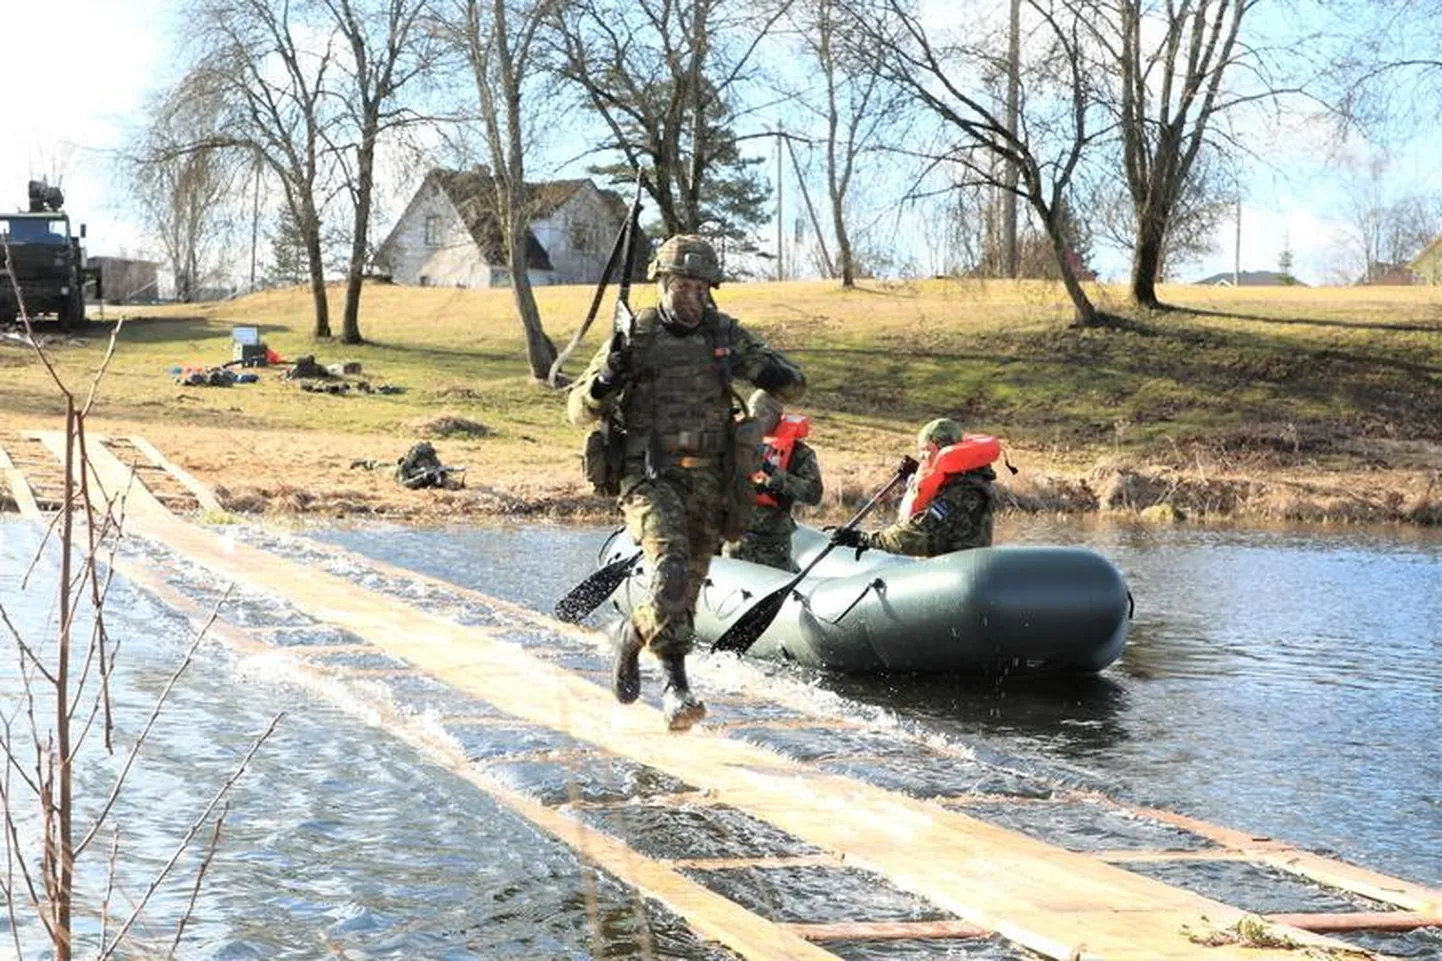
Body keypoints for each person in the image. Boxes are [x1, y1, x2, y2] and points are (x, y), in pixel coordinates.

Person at [567, 234, 806, 731]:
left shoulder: (723, 335)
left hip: (711, 477)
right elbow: (577, 408)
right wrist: (607, 377)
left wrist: (770, 373)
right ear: (664, 283)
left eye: (704, 288)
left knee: (686, 589)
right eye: (685, 287)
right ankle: (676, 687)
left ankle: (631, 635)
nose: (695, 298)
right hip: (650, 473)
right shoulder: (637, 336)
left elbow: (792, 381)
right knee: (670, 566)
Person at [829, 418, 997, 558]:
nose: (921, 456)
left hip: (956, 578)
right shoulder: (968, 479)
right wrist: (913, 477)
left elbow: (915, 536)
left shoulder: (959, 493)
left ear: (943, 449)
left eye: (925, 450)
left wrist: (863, 538)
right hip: (956, 572)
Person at [721, 390, 823, 571]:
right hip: (735, 541)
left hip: (772, 545)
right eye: (752, 413)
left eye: (762, 414)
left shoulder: (799, 454)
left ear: (777, 416)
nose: (756, 419)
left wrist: (772, 472)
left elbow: (813, 494)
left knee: (774, 595)